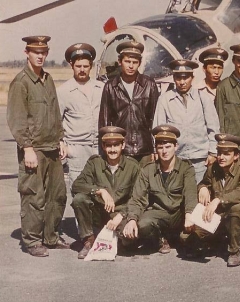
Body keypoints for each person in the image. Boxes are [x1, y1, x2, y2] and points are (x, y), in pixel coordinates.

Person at [7, 36, 69, 256]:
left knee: (57, 195)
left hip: (52, 147)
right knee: (33, 195)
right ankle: (32, 241)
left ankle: (50, 236)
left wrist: (61, 139)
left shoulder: (48, 79)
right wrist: (27, 148)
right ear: (27, 53)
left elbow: (54, 112)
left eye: (44, 52)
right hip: (35, 149)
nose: (40, 56)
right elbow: (17, 118)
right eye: (36, 52)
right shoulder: (21, 81)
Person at [118, 125, 197, 254]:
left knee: (191, 240)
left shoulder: (186, 168)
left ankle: (176, 238)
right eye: (160, 147)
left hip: (179, 214)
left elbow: (190, 194)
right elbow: (137, 198)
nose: (164, 151)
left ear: (176, 147)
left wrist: (189, 214)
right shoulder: (148, 169)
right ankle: (159, 240)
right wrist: (132, 219)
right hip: (158, 213)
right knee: (142, 225)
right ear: (156, 149)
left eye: (168, 147)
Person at [71, 126, 140, 259]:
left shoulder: (133, 166)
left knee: (129, 241)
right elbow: (77, 185)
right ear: (103, 146)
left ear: (123, 145)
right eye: (108, 145)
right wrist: (100, 191)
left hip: (120, 212)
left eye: (116, 145)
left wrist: (122, 214)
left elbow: (137, 196)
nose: (112, 149)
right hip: (99, 211)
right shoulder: (95, 163)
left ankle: (115, 240)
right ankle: (89, 240)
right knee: (79, 199)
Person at [188, 133, 240, 266]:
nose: (221, 157)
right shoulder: (213, 168)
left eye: (226, 154)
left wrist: (219, 199)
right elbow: (204, 182)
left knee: (237, 208)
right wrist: (202, 188)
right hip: (218, 215)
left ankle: (234, 251)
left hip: (239, 216)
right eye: (219, 153)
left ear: (236, 156)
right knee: (187, 239)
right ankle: (218, 241)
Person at [153, 59, 219, 183]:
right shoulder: (165, 99)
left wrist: (213, 152)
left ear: (192, 78)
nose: (182, 82)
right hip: (175, 159)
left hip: (200, 159)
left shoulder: (202, 97)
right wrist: (158, 152)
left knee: (200, 192)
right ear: (173, 78)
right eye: (178, 78)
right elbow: (158, 129)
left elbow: (213, 127)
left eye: (186, 77)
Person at [99, 41, 159, 164]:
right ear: (120, 61)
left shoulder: (150, 85)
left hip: (145, 150)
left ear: (140, 63)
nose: (131, 66)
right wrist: (105, 149)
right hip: (121, 150)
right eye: (127, 61)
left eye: (135, 62)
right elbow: (104, 122)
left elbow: (155, 119)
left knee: (145, 183)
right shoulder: (110, 86)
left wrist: (155, 149)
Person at [58, 43, 104, 187]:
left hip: (99, 148)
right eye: (78, 66)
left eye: (85, 66)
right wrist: (61, 142)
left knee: (101, 190)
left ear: (91, 66)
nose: (82, 70)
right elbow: (55, 121)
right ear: (72, 65)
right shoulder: (63, 92)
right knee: (79, 194)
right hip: (77, 150)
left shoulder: (101, 88)